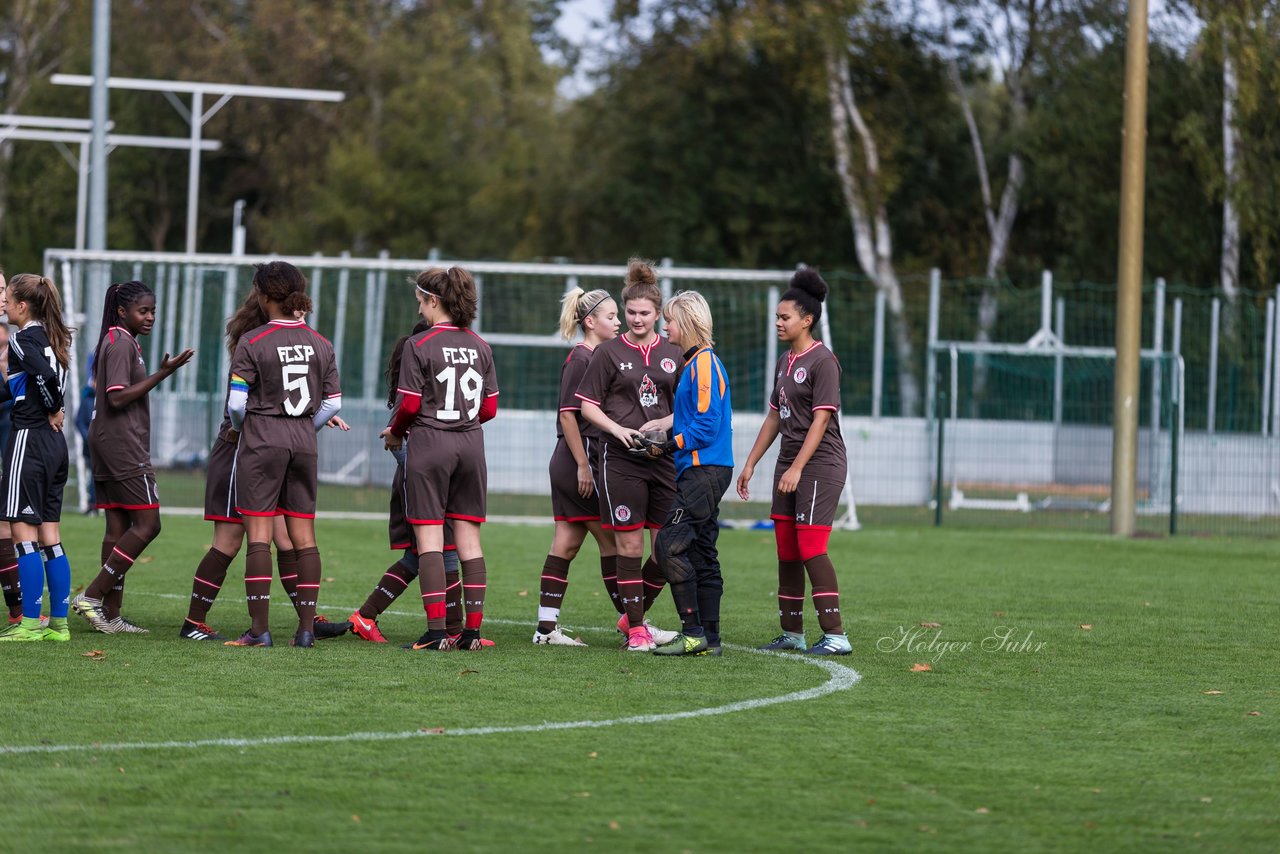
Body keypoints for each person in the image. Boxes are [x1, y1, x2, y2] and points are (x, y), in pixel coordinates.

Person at [181, 292, 349, 642]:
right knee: (229, 541)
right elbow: (241, 406)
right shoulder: (257, 347)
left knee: (286, 540)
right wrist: (302, 421)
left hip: (266, 449)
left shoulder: (270, 347)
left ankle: (307, 617)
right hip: (237, 450)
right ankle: (193, 621)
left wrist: (298, 417)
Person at [223, 261, 342, 648]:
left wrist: (244, 429)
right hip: (304, 440)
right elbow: (334, 403)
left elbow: (237, 405)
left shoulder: (253, 341)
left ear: (263, 295)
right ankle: (306, 630)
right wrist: (308, 427)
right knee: (305, 538)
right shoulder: (322, 343)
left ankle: (259, 631)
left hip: (263, 436)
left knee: (259, 538)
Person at [736, 270, 852, 656]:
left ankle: (836, 635)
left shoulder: (824, 362)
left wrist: (799, 467)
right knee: (786, 549)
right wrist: (751, 462)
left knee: (811, 547)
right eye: (777, 317)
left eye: (785, 317)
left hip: (820, 465)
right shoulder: (786, 361)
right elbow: (774, 416)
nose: (778, 323)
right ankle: (792, 633)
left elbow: (821, 420)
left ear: (808, 319)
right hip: (790, 464)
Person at [382, 266, 498, 652]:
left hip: (431, 444)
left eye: (421, 303)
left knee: (430, 538)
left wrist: (397, 432)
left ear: (434, 300)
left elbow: (410, 404)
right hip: (471, 445)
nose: (421, 311)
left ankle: (436, 635)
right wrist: (462, 421)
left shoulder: (419, 345)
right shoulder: (481, 346)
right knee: (470, 542)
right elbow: (490, 408)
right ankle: (471, 634)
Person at [348, 319, 483, 646]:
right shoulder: (417, 381)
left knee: (431, 553)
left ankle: (447, 630)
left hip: (436, 480)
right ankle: (373, 618)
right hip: (421, 482)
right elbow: (400, 443)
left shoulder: (435, 381)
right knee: (433, 552)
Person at [70, 281, 194, 634]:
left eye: (153, 310)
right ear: (123, 312)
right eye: (144, 310)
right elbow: (119, 398)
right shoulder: (121, 342)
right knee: (149, 524)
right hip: (122, 445)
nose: (151, 316)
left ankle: (109, 615)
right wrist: (164, 373)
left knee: (117, 527)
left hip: (106, 441)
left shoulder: (118, 340)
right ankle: (93, 596)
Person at [576, 258, 682, 652]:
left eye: (645, 313)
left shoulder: (675, 351)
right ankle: (637, 629)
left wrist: (663, 425)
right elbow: (587, 406)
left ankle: (630, 616)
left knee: (668, 545)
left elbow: (689, 407)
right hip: (620, 461)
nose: (636, 319)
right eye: (631, 312)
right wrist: (619, 430)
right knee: (629, 546)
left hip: (664, 459)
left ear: (658, 313)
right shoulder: (607, 353)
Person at [531, 286, 621, 647]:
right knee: (613, 542)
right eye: (611, 316)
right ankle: (636, 623)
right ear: (590, 322)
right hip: (576, 461)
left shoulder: (598, 357)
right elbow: (568, 416)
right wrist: (584, 466)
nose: (618, 322)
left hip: (577, 460)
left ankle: (546, 629)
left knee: (566, 544)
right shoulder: (581, 359)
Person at [647, 290, 734, 656]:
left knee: (669, 546)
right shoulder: (695, 363)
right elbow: (692, 420)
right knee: (701, 551)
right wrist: (662, 433)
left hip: (704, 470)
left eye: (669, 320)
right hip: (705, 470)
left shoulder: (702, 365)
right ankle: (709, 638)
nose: (665, 326)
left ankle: (694, 632)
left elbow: (705, 426)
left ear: (687, 323)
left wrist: (667, 446)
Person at [0, 273, 74, 643]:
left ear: (23, 305)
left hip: (29, 440)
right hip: (55, 446)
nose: (4, 304)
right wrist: (53, 407)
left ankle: (29, 624)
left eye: (8, 299)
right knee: (50, 534)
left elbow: (45, 379)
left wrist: (53, 405)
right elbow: (22, 385)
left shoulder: (20, 339)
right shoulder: (55, 338)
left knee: (22, 534)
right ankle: (58, 625)